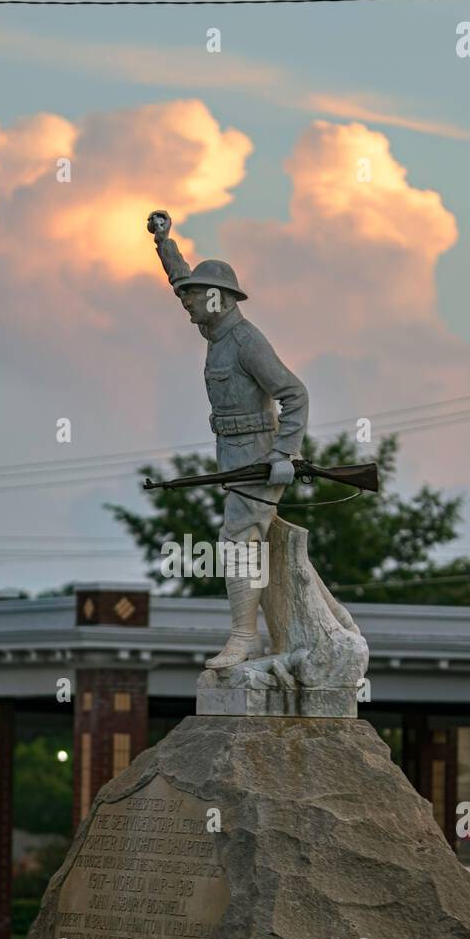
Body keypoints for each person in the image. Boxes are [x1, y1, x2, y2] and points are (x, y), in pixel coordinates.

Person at [147, 209, 309, 669]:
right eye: (189, 299)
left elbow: (294, 394)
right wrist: (164, 242)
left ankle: (244, 638)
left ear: (216, 299)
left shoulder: (245, 341)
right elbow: (181, 281)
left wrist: (284, 453)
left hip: (259, 451)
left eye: (196, 298)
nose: (188, 304)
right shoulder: (213, 328)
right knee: (251, 538)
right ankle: (269, 628)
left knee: (239, 540)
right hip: (232, 451)